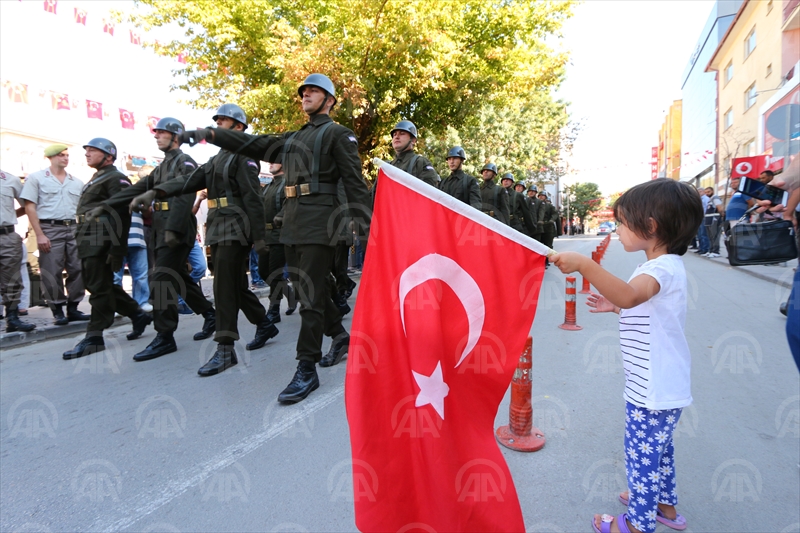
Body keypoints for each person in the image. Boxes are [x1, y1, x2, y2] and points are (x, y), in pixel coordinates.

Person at [177, 74, 371, 402]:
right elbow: (253, 143)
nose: (306, 94)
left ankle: (306, 368)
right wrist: (212, 134)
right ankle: (339, 335)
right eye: (304, 91)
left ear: (330, 101)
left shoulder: (339, 135)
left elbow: (354, 184)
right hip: (293, 222)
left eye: (315, 91)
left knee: (309, 296)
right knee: (312, 288)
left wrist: (367, 232)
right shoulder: (293, 137)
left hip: (320, 221)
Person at [551, 178, 704, 533]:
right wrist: (616, 307)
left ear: (649, 227)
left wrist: (586, 267)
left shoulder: (659, 268)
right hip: (663, 386)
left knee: (641, 458)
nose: (617, 229)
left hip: (652, 391)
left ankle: (637, 523)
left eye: (622, 222)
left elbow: (631, 296)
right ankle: (664, 507)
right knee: (659, 453)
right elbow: (644, 307)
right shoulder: (663, 267)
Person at [126, 106, 277, 375]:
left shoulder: (244, 157)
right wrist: (155, 192)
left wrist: (260, 237)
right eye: (216, 121)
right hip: (220, 226)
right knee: (233, 286)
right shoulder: (217, 158)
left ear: (239, 127)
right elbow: (188, 181)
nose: (217, 124)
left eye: (223, 121)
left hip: (235, 226)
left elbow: (254, 199)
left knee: (223, 289)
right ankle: (264, 324)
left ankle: (225, 348)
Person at [93, 117, 216, 362]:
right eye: (156, 132)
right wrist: (108, 204)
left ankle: (165, 335)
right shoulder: (162, 167)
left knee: (160, 278)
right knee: (177, 276)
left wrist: (172, 229)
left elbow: (184, 196)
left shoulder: (185, 162)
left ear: (175, 136)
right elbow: (138, 187)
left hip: (177, 228)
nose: (156, 136)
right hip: (163, 228)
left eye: (161, 132)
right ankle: (210, 314)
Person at [62, 139, 152, 359]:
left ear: (109, 156)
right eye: (87, 150)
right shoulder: (97, 178)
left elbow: (122, 215)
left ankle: (94, 336)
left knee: (99, 288)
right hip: (88, 237)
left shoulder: (116, 178)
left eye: (93, 150)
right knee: (99, 284)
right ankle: (137, 314)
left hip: (102, 239)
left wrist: (117, 250)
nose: (87, 153)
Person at [20, 144, 89, 325]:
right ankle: (57, 308)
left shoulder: (76, 182)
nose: (65, 158)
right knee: (51, 269)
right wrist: (40, 234)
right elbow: (30, 207)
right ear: (50, 157)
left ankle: (73, 307)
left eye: (66, 155)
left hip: (74, 227)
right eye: (60, 155)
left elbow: (82, 208)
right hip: (50, 227)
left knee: (78, 267)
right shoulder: (37, 179)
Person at [0, 169, 35, 333]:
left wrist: (9, 215)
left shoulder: (9, 179)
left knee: (12, 281)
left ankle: (12, 318)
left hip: (6, 235)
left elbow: (27, 205)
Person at [113, 210, 151, 311]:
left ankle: (141, 302)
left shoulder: (140, 195)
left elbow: (147, 214)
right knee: (116, 276)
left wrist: (146, 207)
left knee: (141, 274)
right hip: (117, 239)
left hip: (138, 237)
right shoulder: (113, 195)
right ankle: (117, 305)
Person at [386, 120, 439, 186]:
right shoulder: (387, 166)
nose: (397, 137)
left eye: (402, 133)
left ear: (413, 140)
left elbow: (430, 192)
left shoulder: (421, 162)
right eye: (394, 134)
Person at [703, 187, 723, 258]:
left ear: (712, 191)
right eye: (705, 192)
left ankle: (716, 251)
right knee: (710, 236)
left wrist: (721, 217)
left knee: (715, 236)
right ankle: (711, 250)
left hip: (714, 220)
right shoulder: (710, 200)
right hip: (709, 220)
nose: (707, 193)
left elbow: (720, 208)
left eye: (708, 192)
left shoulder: (715, 198)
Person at [694, 187, 710, 255]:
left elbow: (707, 208)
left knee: (703, 233)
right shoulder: (699, 199)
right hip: (699, 218)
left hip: (704, 217)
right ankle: (700, 248)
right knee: (699, 234)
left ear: (703, 192)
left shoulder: (706, 198)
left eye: (700, 191)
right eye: (698, 192)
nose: (699, 193)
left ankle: (705, 248)